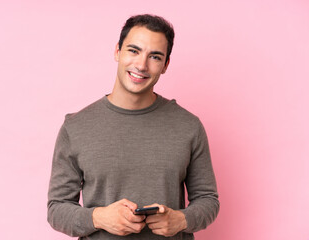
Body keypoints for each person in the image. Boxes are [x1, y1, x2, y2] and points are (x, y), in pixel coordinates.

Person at [47, 14, 219, 240]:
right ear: (117, 51)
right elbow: (57, 208)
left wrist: (181, 220)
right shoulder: (76, 127)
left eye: (155, 56)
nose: (141, 65)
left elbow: (208, 199)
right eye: (133, 50)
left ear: (165, 65)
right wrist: (98, 218)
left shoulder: (188, 126)